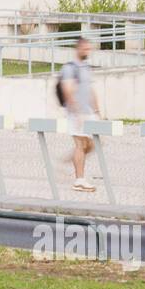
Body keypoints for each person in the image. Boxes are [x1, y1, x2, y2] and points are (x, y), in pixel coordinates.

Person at [58, 36, 100, 192]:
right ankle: (79, 180)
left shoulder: (86, 68)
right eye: (86, 49)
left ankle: (73, 159)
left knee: (91, 144)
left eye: (89, 49)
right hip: (77, 114)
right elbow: (67, 90)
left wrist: (97, 111)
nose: (88, 51)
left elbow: (90, 90)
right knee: (81, 145)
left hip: (88, 113)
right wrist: (77, 113)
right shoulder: (70, 68)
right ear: (79, 49)